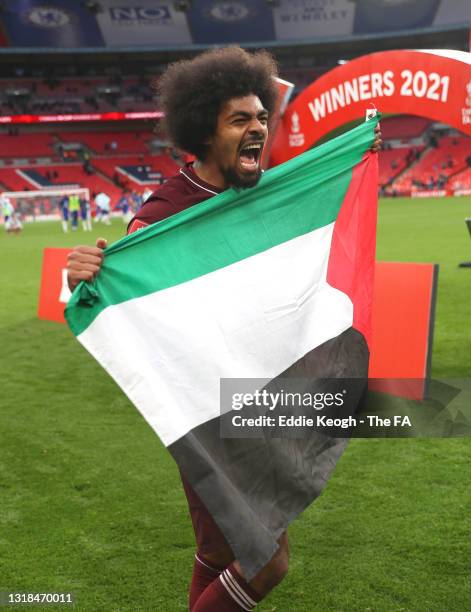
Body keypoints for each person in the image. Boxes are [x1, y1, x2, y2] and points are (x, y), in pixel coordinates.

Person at [67, 47, 381, 611]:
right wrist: (83, 273)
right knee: (267, 561)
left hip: (263, 398)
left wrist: (349, 158)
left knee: (218, 553)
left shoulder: (260, 192)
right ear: (203, 133)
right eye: (240, 119)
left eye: (261, 116)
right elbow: (121, 287)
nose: (257, 127)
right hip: (208, 416)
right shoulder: (163, 216)